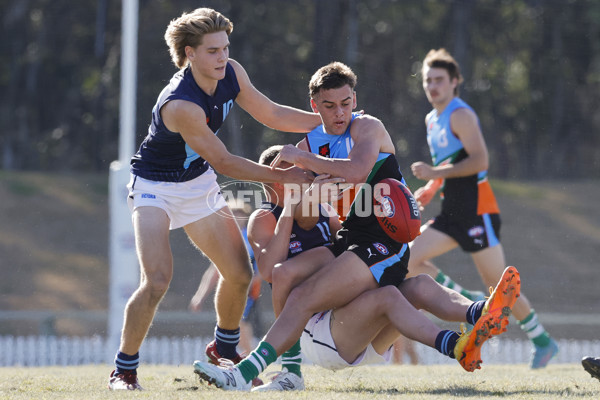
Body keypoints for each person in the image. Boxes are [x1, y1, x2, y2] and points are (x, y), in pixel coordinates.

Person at [192, 61, 516, 390]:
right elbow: (293, 195)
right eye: (329, 106)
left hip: (384, 239)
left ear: (355, 100)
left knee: (305, 296)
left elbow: (357, 170)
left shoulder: (367, 128)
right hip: (351, 238)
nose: (339, 113)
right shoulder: (308, 146)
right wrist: (284, 180)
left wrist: (303, 159)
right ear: (314, 106)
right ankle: (480, 314)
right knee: (290, 276)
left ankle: (244, 375)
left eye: (345, 104)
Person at [107, 8, 321, 391]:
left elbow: (270, 113)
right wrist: (282, 175)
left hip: (196, 184)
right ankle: (124, 371)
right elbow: (223, 160)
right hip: (155, 186)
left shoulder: (232, 72)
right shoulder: (181, 104)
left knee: (239, 274)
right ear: (189, 54)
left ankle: (223, 349)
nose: (222, 57)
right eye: (212, 50)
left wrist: (330, 121)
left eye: (225, 47)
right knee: (156, 281)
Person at [407, 48, 558, 369]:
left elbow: (479, 161)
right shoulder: (431, 120)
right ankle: (471, 301)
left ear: (454, 82)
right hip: (451, 212)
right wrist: (430, 188)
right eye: (427, 81)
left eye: (439, 80)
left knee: (501, 285)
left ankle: (543, 341)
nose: (432, 86)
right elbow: (450, 164)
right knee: (407, 257)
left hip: (478, 211)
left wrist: (435, 175)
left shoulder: (460, 114)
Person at [246, 145, 343, 391]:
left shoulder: (321, 207)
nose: (309, 177)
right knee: (283, 272)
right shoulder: (263, 217)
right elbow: (268, 271)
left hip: (334, 296)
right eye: (302, 173)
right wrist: (289, 211)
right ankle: (291, 370)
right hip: (300, 311)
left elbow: (348, 243)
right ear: (281, 181)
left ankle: (289, 369)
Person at [188, 201, 262, 358]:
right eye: (233, 214)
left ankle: (249, 361)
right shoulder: (224, 238)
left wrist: (251, 282)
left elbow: (264, 266)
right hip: (230, 289)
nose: (237, 218)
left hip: (248, 292)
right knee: (233, 324)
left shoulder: (252, 237)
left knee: (240, 324)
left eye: (240, 215)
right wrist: (200, 296)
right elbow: (214, 270)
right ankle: (240, 359)